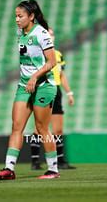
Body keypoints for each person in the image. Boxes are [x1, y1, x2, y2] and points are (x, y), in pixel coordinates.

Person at [0, 0, 59, 180]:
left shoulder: (41, 33)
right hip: (24, 86)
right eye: (15, 16)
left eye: (20, 16)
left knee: (41, 127)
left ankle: (53, 169)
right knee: (16, 126)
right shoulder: (20, 32)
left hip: (44, 86)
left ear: (31, 16)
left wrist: (35, 76)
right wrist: (28, 78)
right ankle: (9, 169)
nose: (16, 19)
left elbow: (52, 62)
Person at [30, 28, 75, 170]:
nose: (50, 36)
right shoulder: (37, 54)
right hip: (43, 89)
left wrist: (69, 93)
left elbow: (61, 75)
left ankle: (60, 161)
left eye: (52, 34)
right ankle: (35, 161)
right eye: (47, 34)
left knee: (58, 129)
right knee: (39, 127)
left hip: (57, 90)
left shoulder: (58, 55)